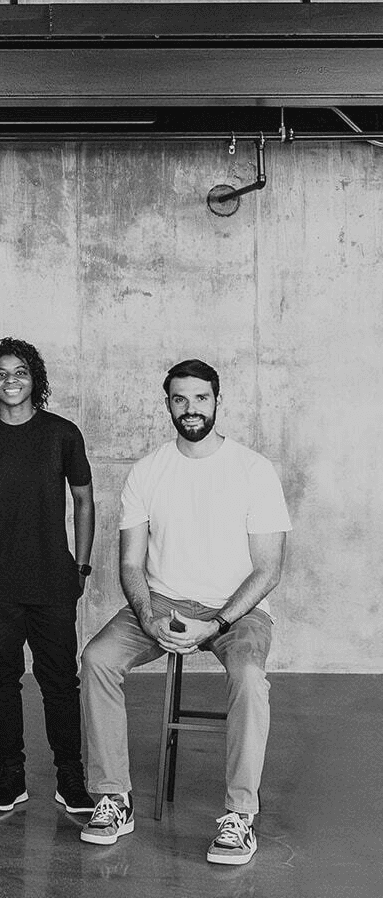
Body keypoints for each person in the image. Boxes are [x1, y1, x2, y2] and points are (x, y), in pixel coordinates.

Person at [78, 359, 289, 865]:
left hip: (236, 609)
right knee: (98, 660)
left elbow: (267, 570)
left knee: (249, 677)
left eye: (200, 398)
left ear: (217, 401)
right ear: (167, 404)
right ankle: (113, 797)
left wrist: (216, 622)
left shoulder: (253, 470)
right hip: (162, 602)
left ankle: (240, 816)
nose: (190, 409)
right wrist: (149, 615)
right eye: (179, 399)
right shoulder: (148, 471)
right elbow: (130, 562)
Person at [0, 338, 97, 815]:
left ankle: (71, 777)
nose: (12, 380)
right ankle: (9, 776)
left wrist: (81, 566)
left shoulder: (62, 434)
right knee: (1, 678)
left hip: (52, 578)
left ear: (36, 379)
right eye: (2, 373)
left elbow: (84, 499)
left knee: (60, 681)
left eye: (21, 372)